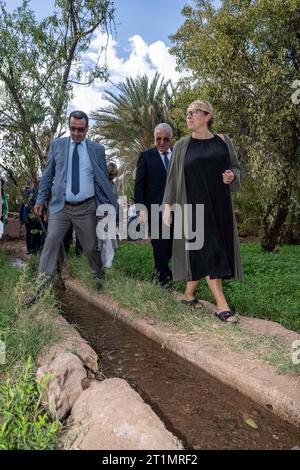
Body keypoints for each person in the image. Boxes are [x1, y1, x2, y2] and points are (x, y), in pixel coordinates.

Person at [163, 100, 243, 322]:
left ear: (208, 116)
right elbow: (171, 180)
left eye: (194, 112)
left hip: (219, 204)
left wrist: (232, 176)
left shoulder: (223, 141)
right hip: (192, 206)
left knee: (205, 249)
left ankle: (189, 295)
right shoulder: (181, 146)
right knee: (210, 249)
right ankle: (221, 306)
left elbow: (235, 167)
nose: (189, 116)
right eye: (187, 112)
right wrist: (167, 208)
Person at [33, 110, 117, 294]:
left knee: (90, 246)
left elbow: (103, 178)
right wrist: (40, 198)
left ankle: (98, 277)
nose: (76, 133)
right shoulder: (57, 145)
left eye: (80, 130)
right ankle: (42, 282)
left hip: (86, 207)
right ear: (68, 126)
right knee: (51, 241)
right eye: (72, 128)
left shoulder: (97, 150)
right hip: (61, 207)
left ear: (87, 128)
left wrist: (109, 204)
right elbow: (47, 175)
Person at [134, 123, 173, 289]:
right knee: (160, 246)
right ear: (154, 139)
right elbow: (139, 185)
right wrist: (141, 209)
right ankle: (164, 280)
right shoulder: (146, 156)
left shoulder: (178, 156)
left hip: (177, 209)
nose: (162, 142)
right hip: (155, 210)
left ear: (171, 139)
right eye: (158, 139)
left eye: (166, 139)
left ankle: (158, 273)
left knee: (171, 245)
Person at [98, 162, 119, 268]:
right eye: (110, 175)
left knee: (109, 241)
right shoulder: (100, 185)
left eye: (113, 176)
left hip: (111, 216)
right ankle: (101, 263)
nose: (112, 178)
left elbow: (116, 201)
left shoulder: (115, 186)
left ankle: (108, 264)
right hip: (101, 215)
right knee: (100, 241)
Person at [19, 184, 42, 254]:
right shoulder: (30, 192)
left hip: (36, 217)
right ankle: (31, 249)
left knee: (36, 233)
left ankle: (34, 249)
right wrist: (22, 218)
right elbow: (23, 205)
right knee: (30, 233)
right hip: (29, 217)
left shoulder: (40, 192)